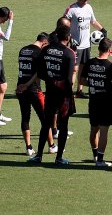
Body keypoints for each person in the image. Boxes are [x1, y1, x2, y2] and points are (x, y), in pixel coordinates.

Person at [30, 24, 76, 165]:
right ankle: (59, 158)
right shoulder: (69, 53)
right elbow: (69, 80)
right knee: (63, 126)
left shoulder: (46, 50)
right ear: (68, 37)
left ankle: (38, 156)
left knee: (46, 124)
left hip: (49, 92)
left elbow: (40, 72)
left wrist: (52, 80)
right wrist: (69, 96)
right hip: (63, 96)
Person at [15, 32, 56, 157]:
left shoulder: (23, 50)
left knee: (25, 116)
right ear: (44, 42)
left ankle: (28, 147)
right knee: (45, 119)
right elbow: (39, 73)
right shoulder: (39, 53)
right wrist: (28, 84)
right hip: (34, 89)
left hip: (20, 88)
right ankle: (51, 146)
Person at [65, 0, 105, 98]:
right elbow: (63, 23)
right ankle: (69, 91)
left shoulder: (88, 7)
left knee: (83, 67)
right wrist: (69, 38)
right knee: (74, 69)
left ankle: (79, 91)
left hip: (87, 44)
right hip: (76, 44)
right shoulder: (72, 9)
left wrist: (102, 30)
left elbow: (93, 21)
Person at [86, 37, 112, 168]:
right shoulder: (110, 66)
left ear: (98, 48)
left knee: (94, 129)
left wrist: (94, 83)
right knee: (104, 131)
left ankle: (95, 155)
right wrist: (106, 84)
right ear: (109, 51)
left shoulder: (89, 63)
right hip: (106, 102)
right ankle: (100, 159)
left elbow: (82, 81)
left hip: (93, 100)